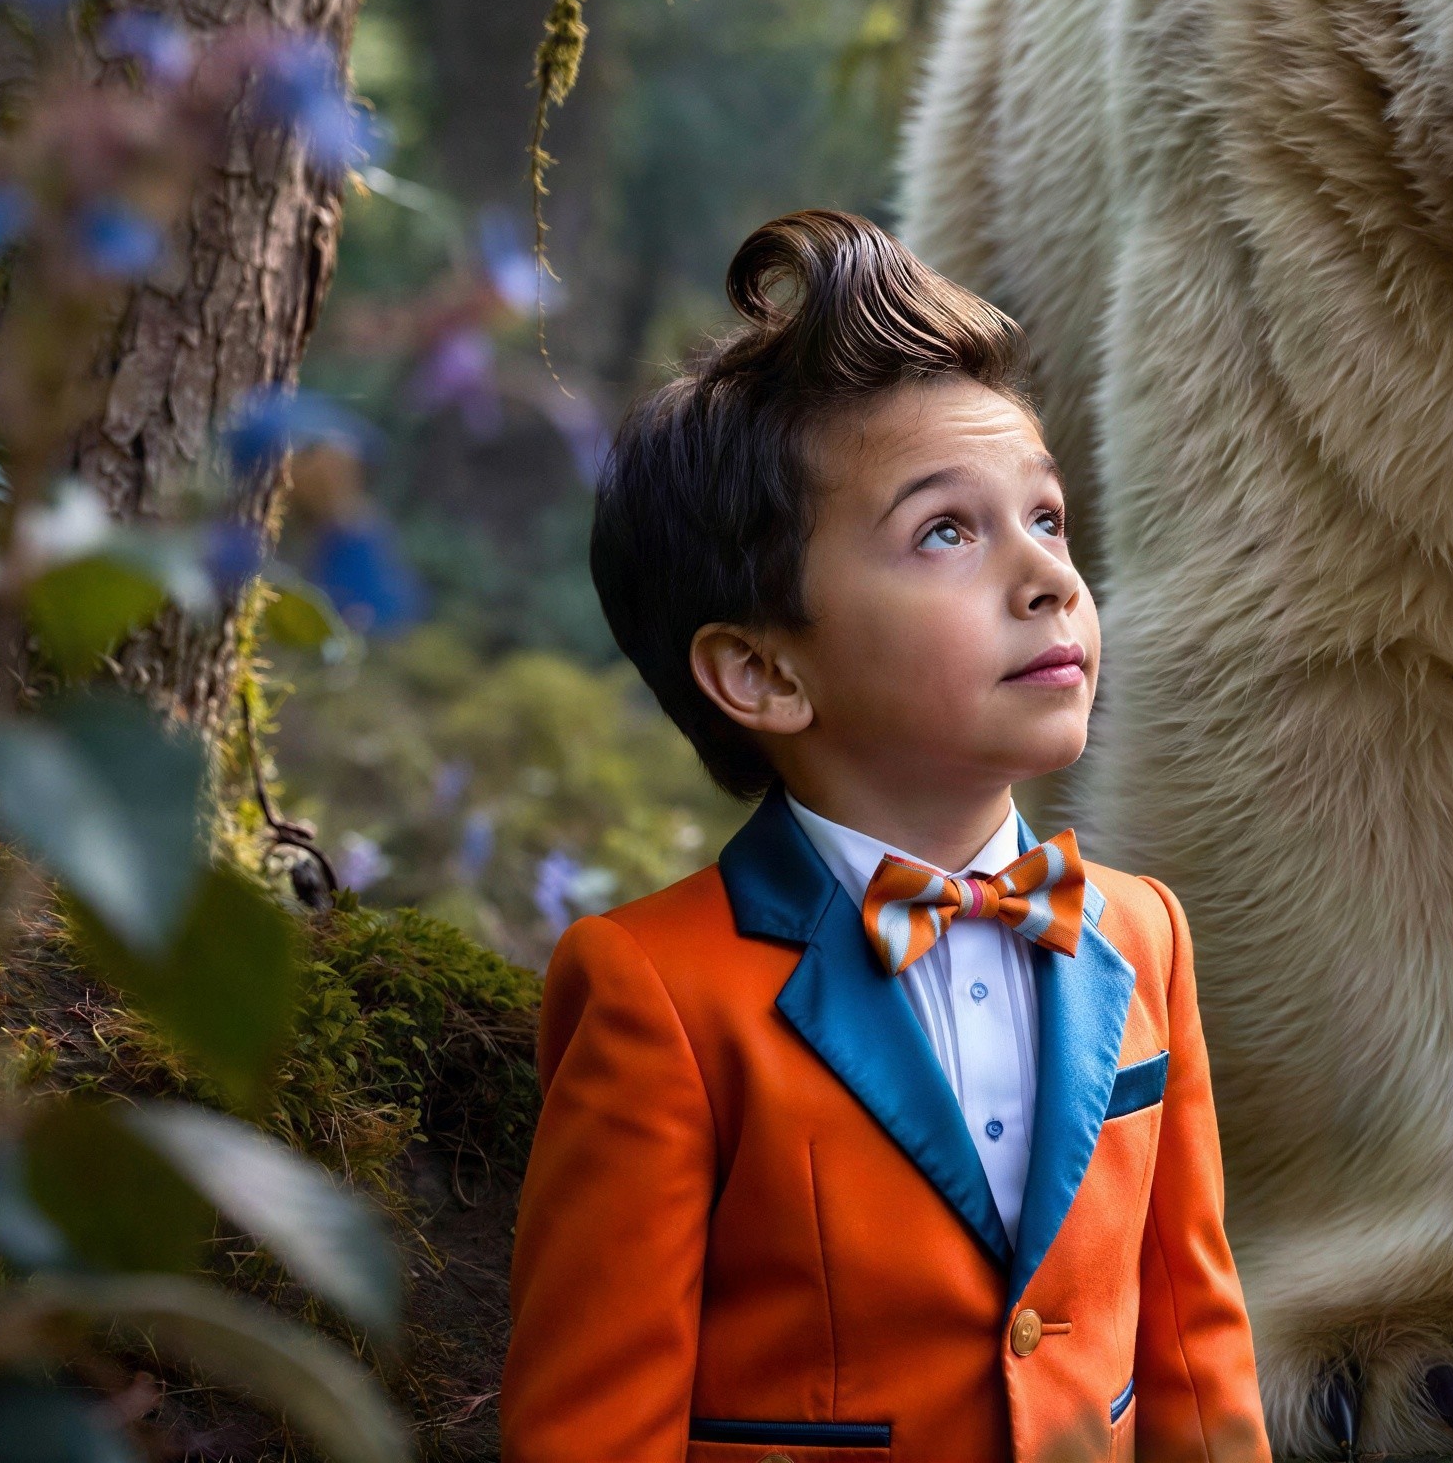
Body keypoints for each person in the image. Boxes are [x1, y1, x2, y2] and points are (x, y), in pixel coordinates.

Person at [502, 208, 1265, 1462]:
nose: (1049, 579)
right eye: (947, 533)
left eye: (1049, 519)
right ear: (760, 673)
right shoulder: (658, 998)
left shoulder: (1145, 934)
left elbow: (1194, 1348)